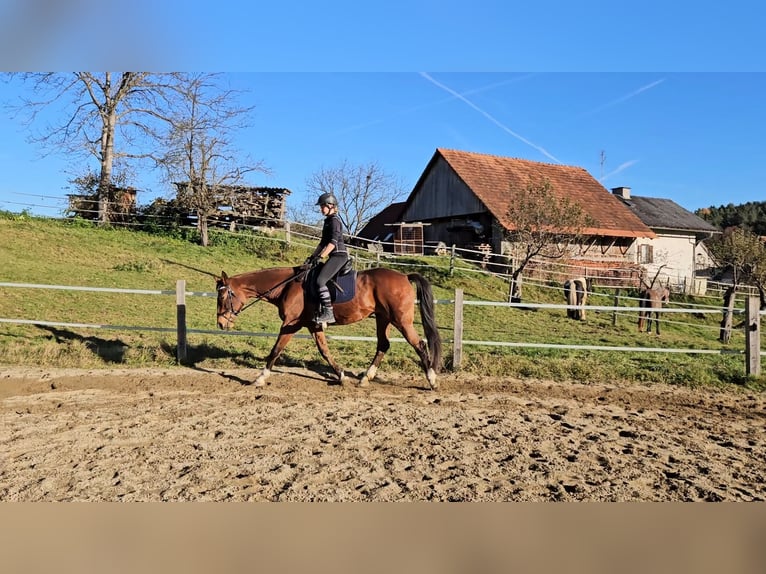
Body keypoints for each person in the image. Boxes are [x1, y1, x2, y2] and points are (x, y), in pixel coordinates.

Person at [304, 192, 348, 324]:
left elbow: (333, 242)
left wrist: (321, 256)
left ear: (330, 206)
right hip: (333, 255)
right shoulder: (327, 221)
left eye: (322, 206)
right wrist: (313, 256)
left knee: (320, 280)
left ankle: (329, 312)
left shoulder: (335, 221)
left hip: (339, 256)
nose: (321, 209)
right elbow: (323, 242)